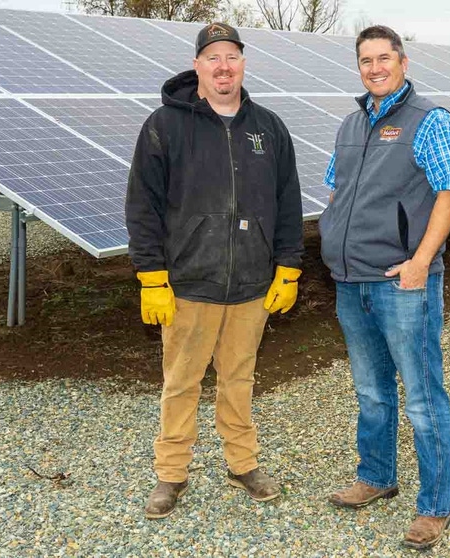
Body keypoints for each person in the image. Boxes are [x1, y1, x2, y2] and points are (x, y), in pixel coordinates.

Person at [125, 22, 303, 520]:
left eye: (232, 57)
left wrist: (288, 265)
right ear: (198, 66)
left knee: (239, 379)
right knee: (181, 382)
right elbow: (142, 206)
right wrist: (151, 277)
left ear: (243, 64)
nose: (223, 67)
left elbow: (288, 201)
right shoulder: (165, 124)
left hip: (251, 284)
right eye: (213, 58)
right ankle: (171, 475)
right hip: (188, 284)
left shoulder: (268, 127)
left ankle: (242, 463)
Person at [318, 25, 450, 551]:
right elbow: (336, 187)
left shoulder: (431, 121)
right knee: (370, 390)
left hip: (403, 282)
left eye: (384, 58)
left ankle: (434, 506)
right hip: (350, 279)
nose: (375, 68)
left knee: (423, 398)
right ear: (358, 67)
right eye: (365, 60)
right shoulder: (351, 123)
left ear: (403, 62)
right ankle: (377, 477)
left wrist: (420, 262)